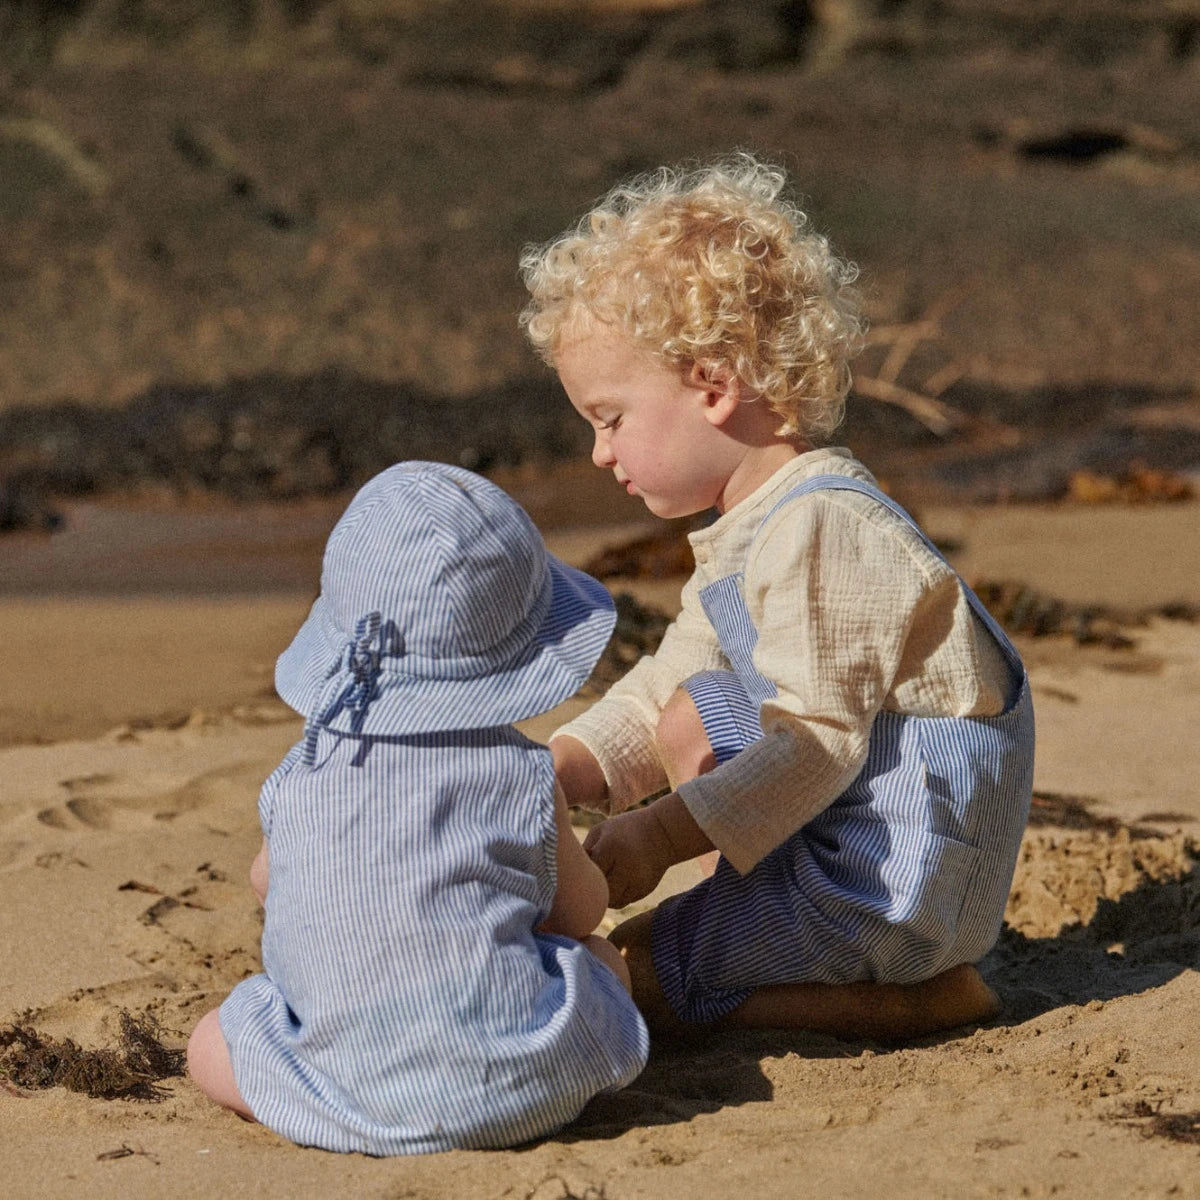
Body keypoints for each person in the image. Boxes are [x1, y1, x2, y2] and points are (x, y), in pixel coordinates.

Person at [518, 152, 1035, 1039]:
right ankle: (785, 935)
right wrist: (563, 767)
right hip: (852, 842)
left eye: (610, 420)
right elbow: (667, 681)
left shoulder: (824, 526)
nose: (602, 454)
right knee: (692, 705)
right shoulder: (754, 526)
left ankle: (907, 995)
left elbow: (813, 746)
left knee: (642, 974)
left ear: (714, 387)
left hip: (889, 883)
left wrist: (658, 836)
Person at [186, 461, 649, 1154]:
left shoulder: (304, 771)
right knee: (601, 960)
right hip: (522, 1088)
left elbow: (265, 881)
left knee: (209, 1041)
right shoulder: (522, 773)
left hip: (349, 1084)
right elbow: (578, 912)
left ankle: (339, 1108)